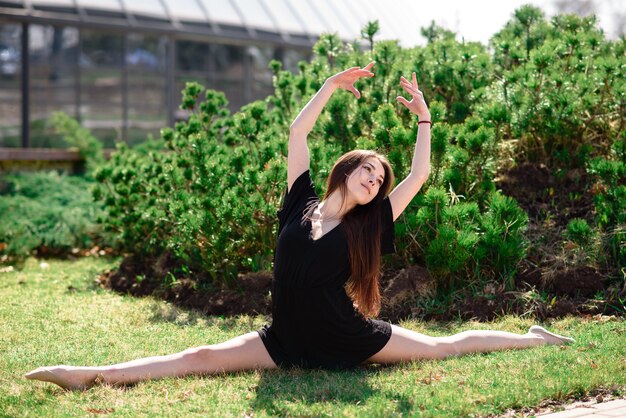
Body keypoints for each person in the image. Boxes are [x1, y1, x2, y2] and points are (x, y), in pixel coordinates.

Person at [25, 62, 574, 391]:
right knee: (197, 360)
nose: (373, 178)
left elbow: (420, 173)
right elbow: (297, 134)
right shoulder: (301, 204)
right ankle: (87, 374)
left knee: (444, 347)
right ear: (346, 169)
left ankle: (530, 337)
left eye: (379, 177)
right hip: (284, 337)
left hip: (346, 334)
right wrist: (331, 85)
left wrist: (424, 121)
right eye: (366, 168)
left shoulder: (371, 223)